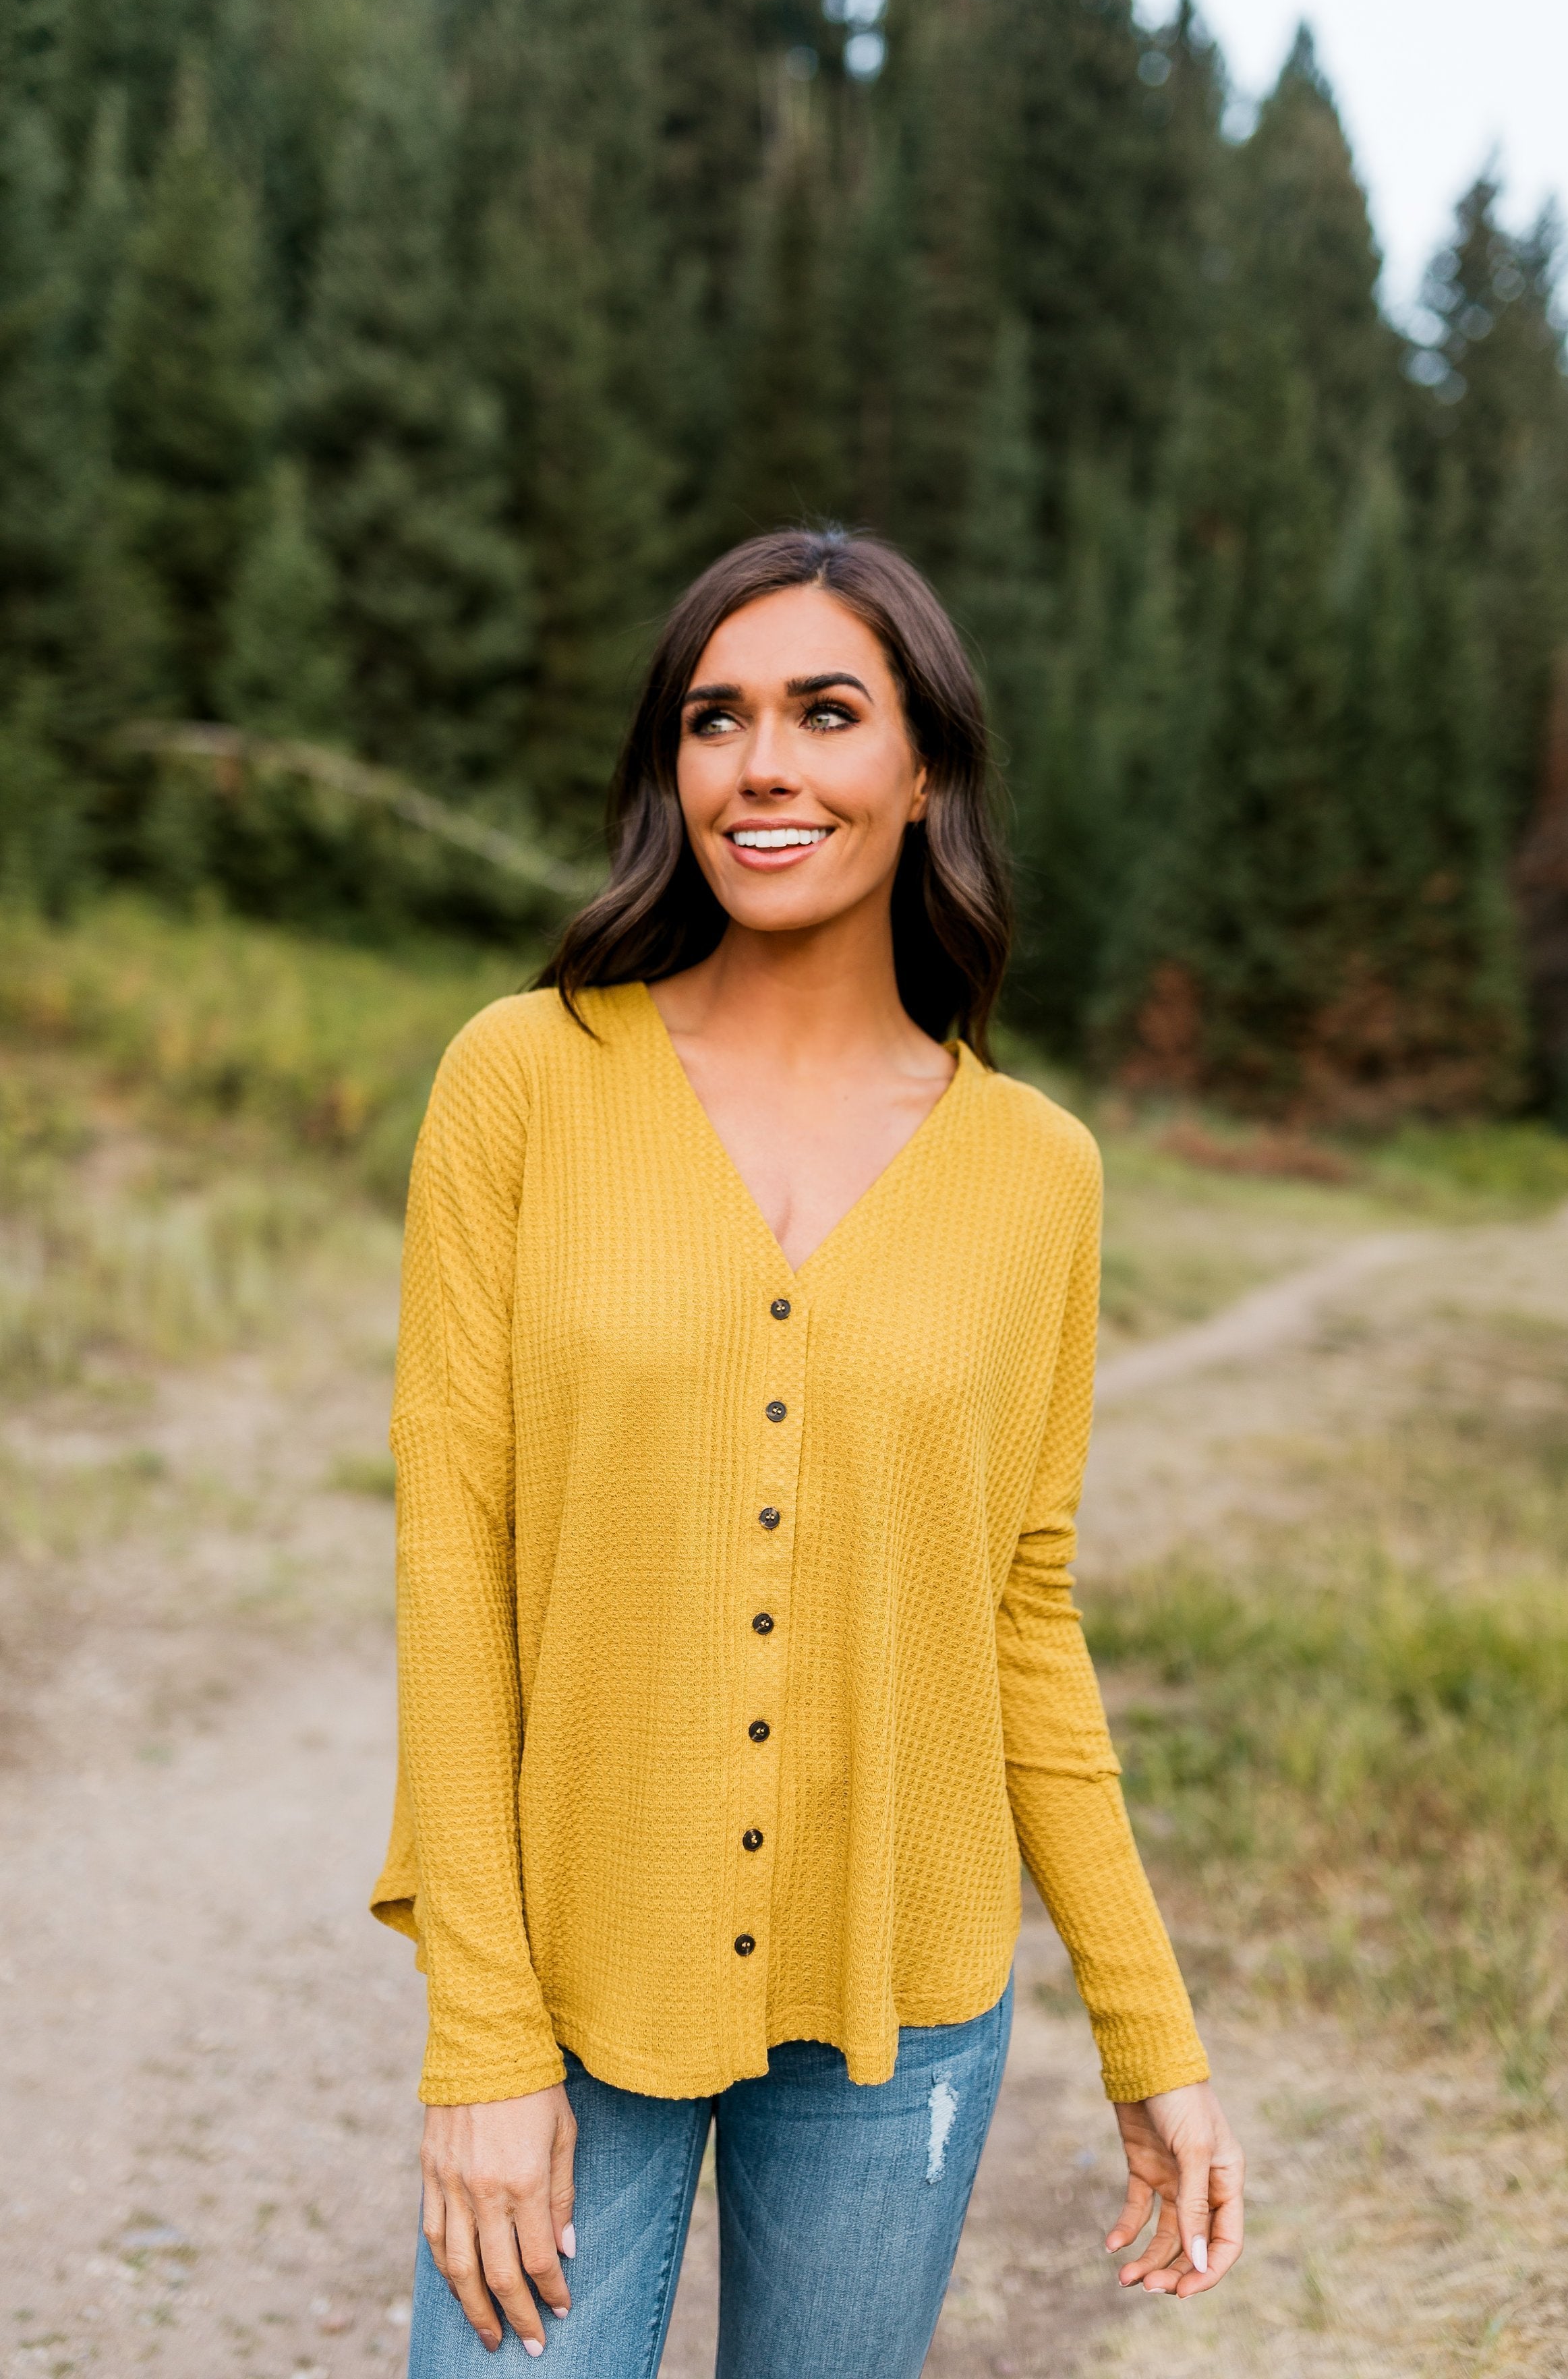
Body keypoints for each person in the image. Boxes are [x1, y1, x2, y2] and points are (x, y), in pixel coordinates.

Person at [373, 527, 1244, 2377]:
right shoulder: (521, 1081)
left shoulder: (1040, 1174)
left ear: (924, 770)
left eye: (827, 714)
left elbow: (1022, 1615)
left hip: (899, 2009)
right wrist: (482, 2038)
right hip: (572, 1980)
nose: (762, 766)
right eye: (717, 719)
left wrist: (1148, 2030)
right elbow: (451, 1563)